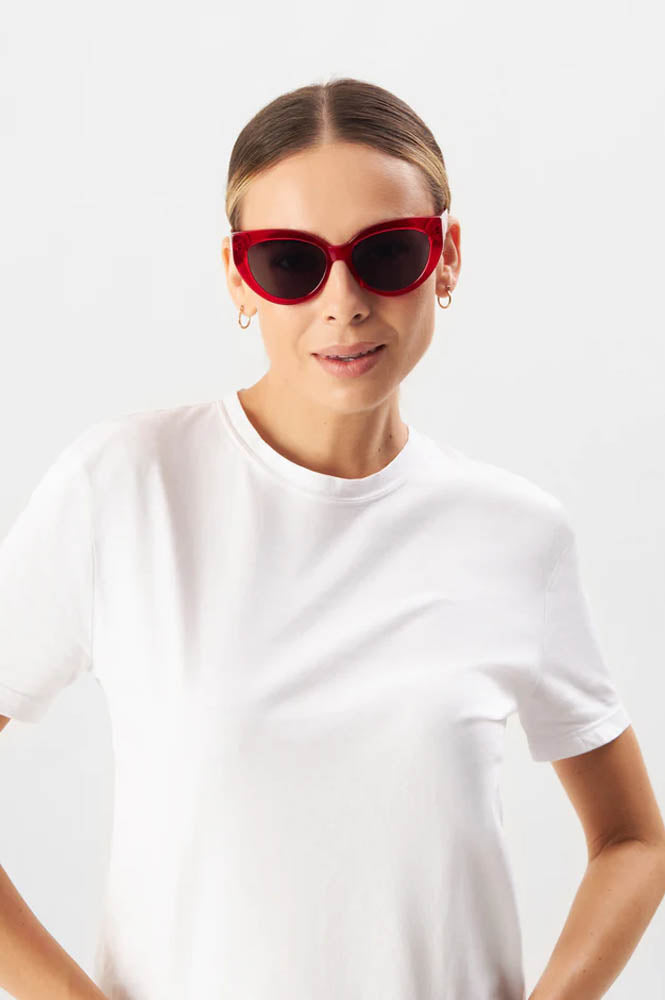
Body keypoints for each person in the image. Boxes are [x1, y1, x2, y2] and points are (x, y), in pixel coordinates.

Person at [0, 76, 663, 1000]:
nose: (343, 301)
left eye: (388, 253)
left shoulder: (513, 534)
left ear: (446, 257)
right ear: (238, 275)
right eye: (290, 262)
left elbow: (632, 840)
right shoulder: (126, 488)